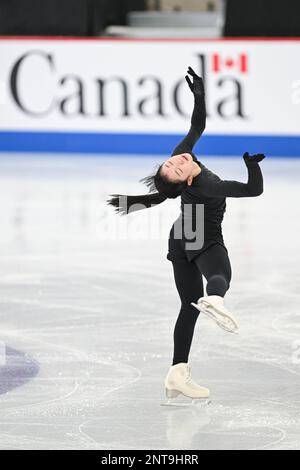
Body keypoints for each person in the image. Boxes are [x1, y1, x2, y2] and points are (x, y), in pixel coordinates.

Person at [107, 67, 265, 402]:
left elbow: (197, 127)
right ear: (186, 182)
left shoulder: (184, 156)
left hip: (182, 230)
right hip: (197, 229)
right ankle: (216, 299)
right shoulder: (208, 183)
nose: (179, 160)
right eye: (176, 168)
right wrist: (253, 165)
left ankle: (177, 372)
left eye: (172, 162)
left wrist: (200, 97)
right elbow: (253, 191)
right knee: (220, 274)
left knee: (188, 305)